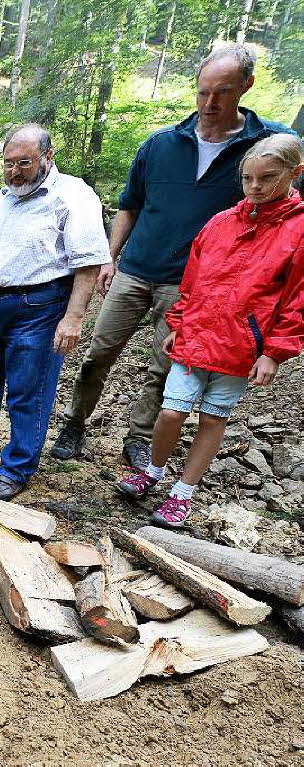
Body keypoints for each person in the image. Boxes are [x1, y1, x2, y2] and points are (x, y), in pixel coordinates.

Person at [51, 43, 296, 470]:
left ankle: (140, 438)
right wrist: (109, 256)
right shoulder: (161, 144)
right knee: (99, 352)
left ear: (246, 87)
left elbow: (281, 213)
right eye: (203, 91)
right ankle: (74, 422)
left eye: (222, 91)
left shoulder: (266, 148)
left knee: (163, 367)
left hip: (192, 286)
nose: (210, 103)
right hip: (136, 268)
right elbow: (130, 204)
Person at [116, 134, 304, 527]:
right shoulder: (221, 222)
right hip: (196, 337)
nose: (255, 187)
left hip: (241, 348)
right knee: (170, 413)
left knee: (213, 420)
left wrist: (274, 352)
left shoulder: (298, 231)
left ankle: (182, 493)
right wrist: (179, 323)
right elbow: (193, 279)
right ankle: (153, 470)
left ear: (294, 173)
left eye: (266, 178)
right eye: (248, 178)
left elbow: (297, 299)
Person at [0, 124, 110, 500]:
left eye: (24, 163)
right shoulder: (3, 197)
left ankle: (17, 467)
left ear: (48, 157)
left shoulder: (73, 195)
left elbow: (89, 262)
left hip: (40, 308)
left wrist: (74, 317)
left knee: (28, 390)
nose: (14, 172)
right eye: (8, 163)